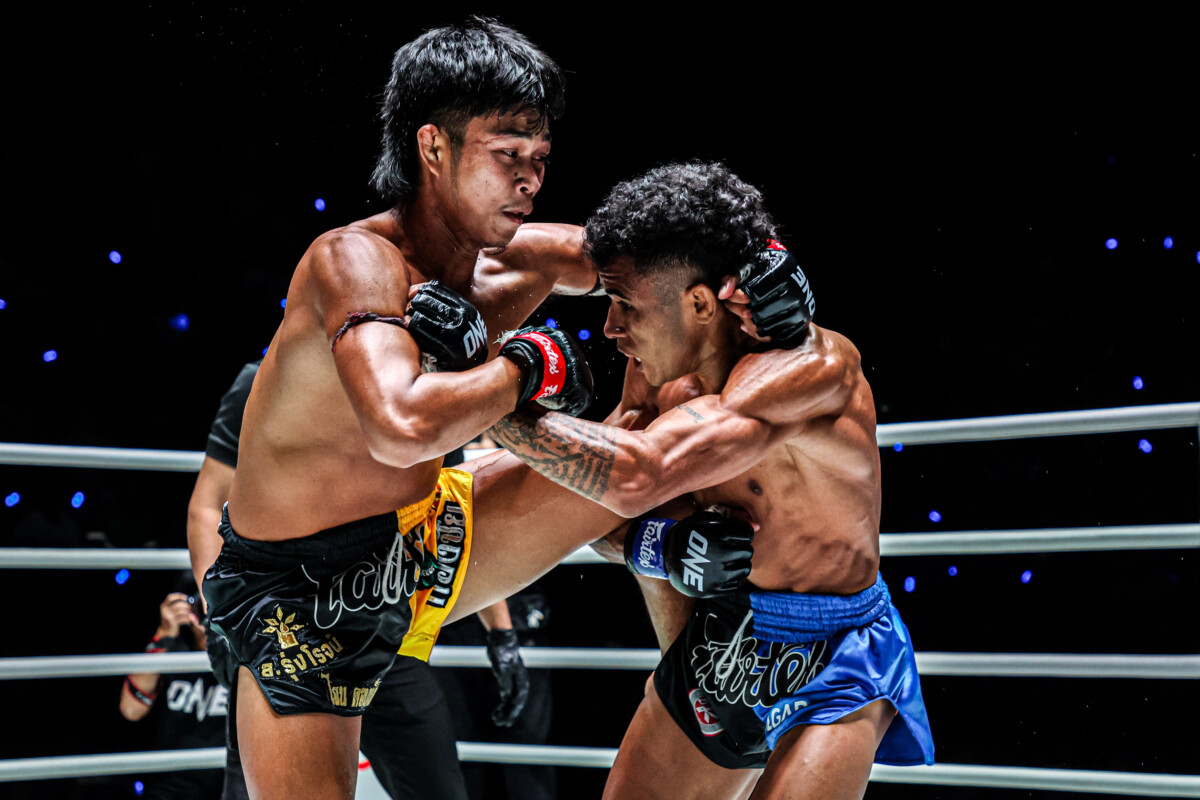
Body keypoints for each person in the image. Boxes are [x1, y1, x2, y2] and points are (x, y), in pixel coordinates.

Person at [199, 18, 609, 800]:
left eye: (541, 157)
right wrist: (529, 365)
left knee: (651, 458)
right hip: (300, 594)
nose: (530, 178)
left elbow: (659, 255)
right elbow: (400, 426)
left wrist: (753, 258)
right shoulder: (353, 261)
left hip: (420, 542)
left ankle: (717, 615)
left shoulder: (515, 264)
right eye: (508, 153)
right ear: (433, 147)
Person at [486, 162, 935, 800]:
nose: (611, 327)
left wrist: (485, 397)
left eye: (626, 304)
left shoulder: (812, 368)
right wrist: (661, 547)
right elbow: (597, 513)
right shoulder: (652, 381)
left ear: (699, 304)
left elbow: (635, 475)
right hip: (722, 640)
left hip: (835, 653)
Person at [119, 577, 228, 800]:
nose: (207, 609)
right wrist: (164, 633)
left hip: (230, 784)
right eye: (200, 602)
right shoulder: (171, 651)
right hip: (170, 787)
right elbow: (131, 710)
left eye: (213, 600)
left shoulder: (243, 652)